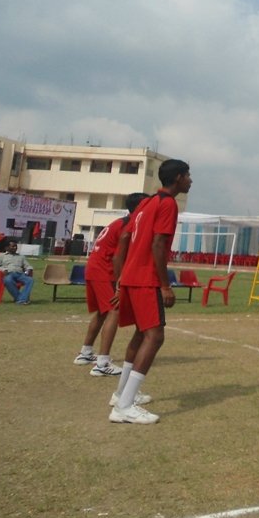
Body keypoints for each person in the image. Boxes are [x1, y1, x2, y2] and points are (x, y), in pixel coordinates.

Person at [109, 159, 192, 424]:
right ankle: (123, 406)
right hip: (146, 279)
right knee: (155, 337)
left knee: (141, 334)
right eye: (188, 175)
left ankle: (121, 394)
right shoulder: (168, 204)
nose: (191, 180)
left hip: (132, 277)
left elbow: (124, 238)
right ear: (178, 178)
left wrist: (121, 277)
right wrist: (165, 284)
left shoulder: (145, 203)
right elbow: (158, 243)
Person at [75, 192, 147, 375]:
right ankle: (102, 363)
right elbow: (117, 257)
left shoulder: (121, 222)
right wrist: (119, 284)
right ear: (139, 208)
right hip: (103, 270)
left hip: (94, 267)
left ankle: (85, 353)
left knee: (102, 312)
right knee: (114, 310)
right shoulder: (130, 224)